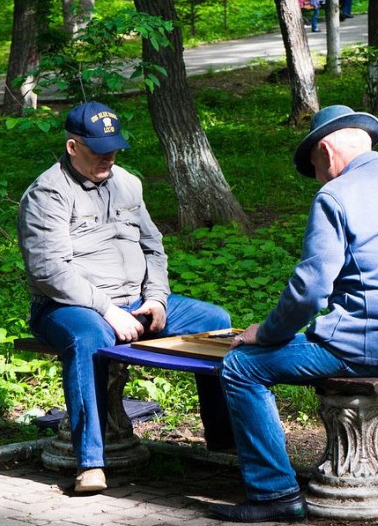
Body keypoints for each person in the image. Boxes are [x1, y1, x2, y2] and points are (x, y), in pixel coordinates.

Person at [206, 105, 378, 523]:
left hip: (364, 348)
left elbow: (309, 292)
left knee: (240, 366)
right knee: (331, 347)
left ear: (324, 150)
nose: (319, 178)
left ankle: (273, 493)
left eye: (315, 168)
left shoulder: (336, 195)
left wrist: (265, 333)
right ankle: (370, 466)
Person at [17, 101, 235, 494]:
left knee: (215, 322)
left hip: (136, 301)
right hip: (68, 307)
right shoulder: (47, 194)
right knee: (87, 339)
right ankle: (90, 463)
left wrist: (158, 298)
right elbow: (48, 271)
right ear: (72, 147)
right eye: (99, 150)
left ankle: (225, 442)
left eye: (114, 148)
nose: (109, 157)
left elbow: (154, 246)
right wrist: (107, 310)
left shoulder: (128, 183)